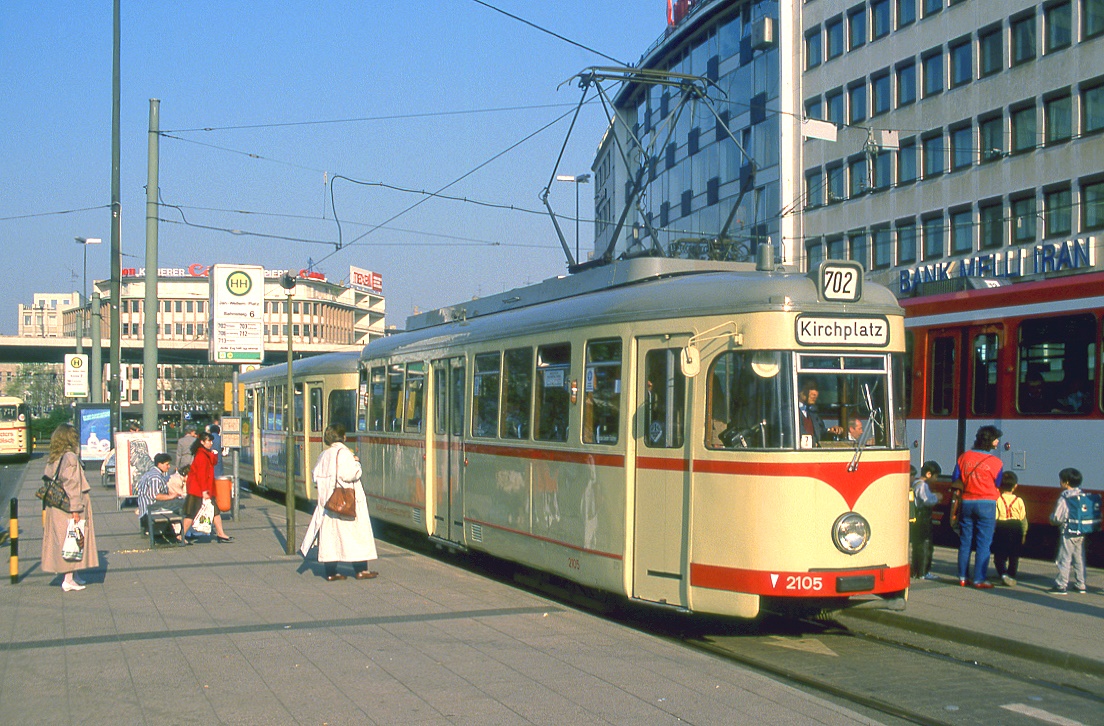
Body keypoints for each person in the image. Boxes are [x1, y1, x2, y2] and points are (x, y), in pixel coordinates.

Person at [300, 424, 379, 581]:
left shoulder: (324, 454)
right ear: (343, 437)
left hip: (329, 504)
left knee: (330, 539)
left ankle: (331, 573)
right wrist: (357, 462)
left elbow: (316, 476)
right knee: (357, 536)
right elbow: (350, 474)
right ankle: (361, 570)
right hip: (347, 502)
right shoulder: (344, 453)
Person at [41, 423, 99, 592]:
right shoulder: (71, 457)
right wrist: (75, 509)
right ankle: (68, 579)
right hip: (70, 507)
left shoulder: (55, 456)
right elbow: (72, 484)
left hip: (57, 506)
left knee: (65, 540)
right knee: (73, 540)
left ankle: (74, 574)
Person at [951, 425, 1003, 589]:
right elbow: (998, 483)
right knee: (983, 543)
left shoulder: (964, 457)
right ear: (991, 441)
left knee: (965, 541)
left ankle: (962, 577)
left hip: (967, 502)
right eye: (996, 438)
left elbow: (955, 477)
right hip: (987, 503)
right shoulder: (996, 462)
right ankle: (979, 578)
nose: (998, 441)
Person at [178, 432, 233, 544]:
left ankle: (220, 533)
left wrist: (215, 454)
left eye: (211, 441)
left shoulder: (205, 453)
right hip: (198, 490)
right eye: (209, 441)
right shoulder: (201, 455)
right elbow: (201, 475)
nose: (211, 443)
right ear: (202, 442)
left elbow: (214, 462)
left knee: (215, 511)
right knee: (191, 513)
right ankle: (181, 535)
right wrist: (204, 491)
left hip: (205, 488)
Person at [1048, 468, 1088, 595]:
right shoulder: (1082, 495)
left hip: (1068, 531)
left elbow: (1057, 517)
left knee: (1064, 558)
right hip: (1081, 531)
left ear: (1066, 482)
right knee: (1079, 558)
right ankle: (1080, 584)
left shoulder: (1065, 497)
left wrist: (1051, 519)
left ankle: (1061, 585)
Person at [134, 453, 184, 542]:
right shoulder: (155, 477)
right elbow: (155, 495)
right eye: (167, 464)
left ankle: (171, 529)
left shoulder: (151, 473)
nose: (169, 467)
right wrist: (171, 496)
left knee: (180, 502)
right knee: (184, 504)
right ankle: (182, 533)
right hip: (152, 507)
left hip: (146, 504)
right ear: (160, 464)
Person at [992, 471, 1028, 586]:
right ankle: (1011, 575)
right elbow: (1023, 518)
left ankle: (1002, 573)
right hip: (1016, 526)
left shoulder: (997, 500)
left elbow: (995, 517)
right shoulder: (1019, 500)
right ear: (1015, 486)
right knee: (1014, 554)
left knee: (999, 554)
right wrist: (1024, 533)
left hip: (1002, 526)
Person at [911, 461, 942, 580]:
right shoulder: (922, 485)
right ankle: (923, 572)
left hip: (916, 519)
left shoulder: (915, 483)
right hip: (923, 518)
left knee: (916, 546)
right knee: (925, 545)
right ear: (929, 474)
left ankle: (916, 570)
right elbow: (926, 500)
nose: (936, 479)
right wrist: (936, 497)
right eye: (936, 476)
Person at [797, 377, 842, 445]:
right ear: (799, 390)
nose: (815, 393)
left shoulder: (812, 412)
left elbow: (820, 432)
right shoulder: (788, 412)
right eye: (811, 388)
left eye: (816, 389)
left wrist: (830, 431)